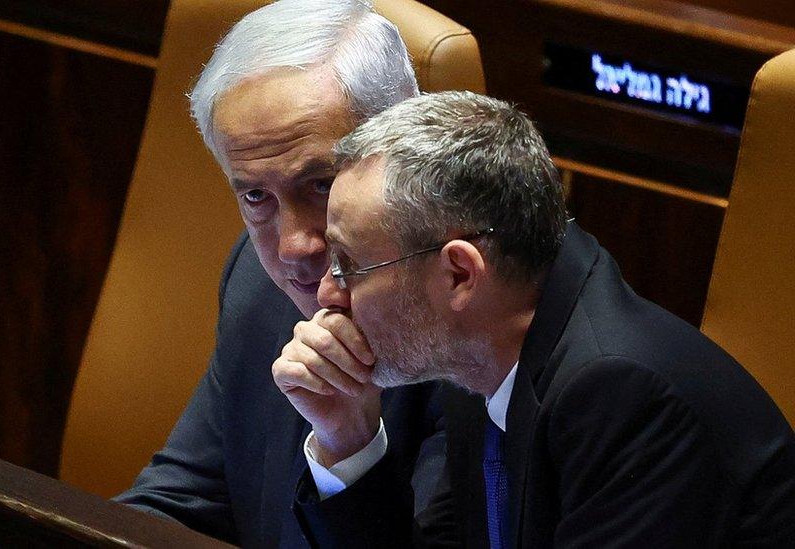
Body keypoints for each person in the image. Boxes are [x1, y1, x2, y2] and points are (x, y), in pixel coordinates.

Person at [276, 90, 795, 547]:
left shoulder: (622, 396)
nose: (326, 292)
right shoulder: (484, 350)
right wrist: (349, 438)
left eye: (349, 265)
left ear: (459, 274)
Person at [114, 2, 452, 547]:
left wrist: (351, 448)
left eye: (321, 183)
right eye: (255, 196)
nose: (295, 247)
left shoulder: (476, 330)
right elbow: (181, 502)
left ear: (404, 153)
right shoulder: (258, 285)